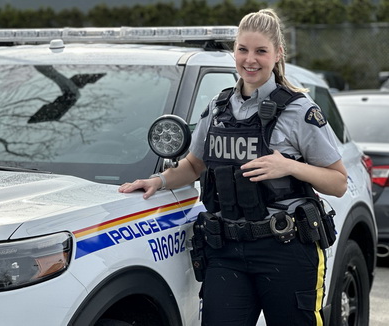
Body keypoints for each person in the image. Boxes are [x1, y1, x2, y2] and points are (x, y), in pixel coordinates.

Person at [118, 8, 347, 326]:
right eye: (243, 49)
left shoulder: (299, 110)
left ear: (277, 54)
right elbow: (195, 164)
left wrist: (290, 167)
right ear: (234, 51)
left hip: (286, 248)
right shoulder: (217, 107)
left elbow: (338, 182)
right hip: (225, 251)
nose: (250, 59)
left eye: (261, 51)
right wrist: (158, 180)